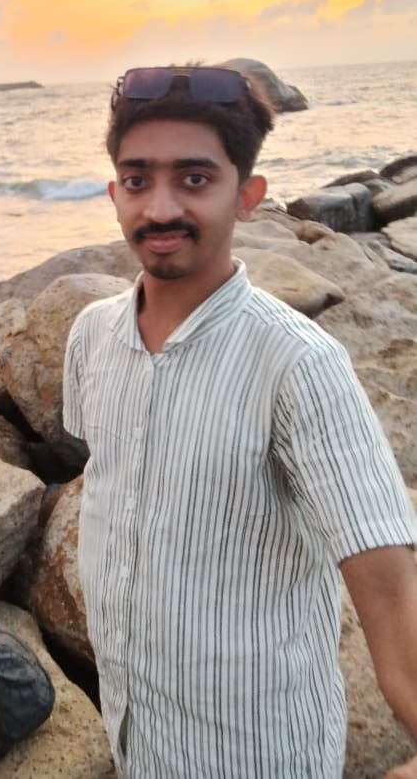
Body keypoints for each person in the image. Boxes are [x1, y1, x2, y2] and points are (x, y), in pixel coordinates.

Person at [62, 64, 417, 778]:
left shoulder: (298, 364)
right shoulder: (92, 336)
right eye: (137, 179)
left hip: (258, 754)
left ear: (247, 196)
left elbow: (392, 598)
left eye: (194, 179)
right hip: (137, 737)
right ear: (114, 193)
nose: (160, 207)